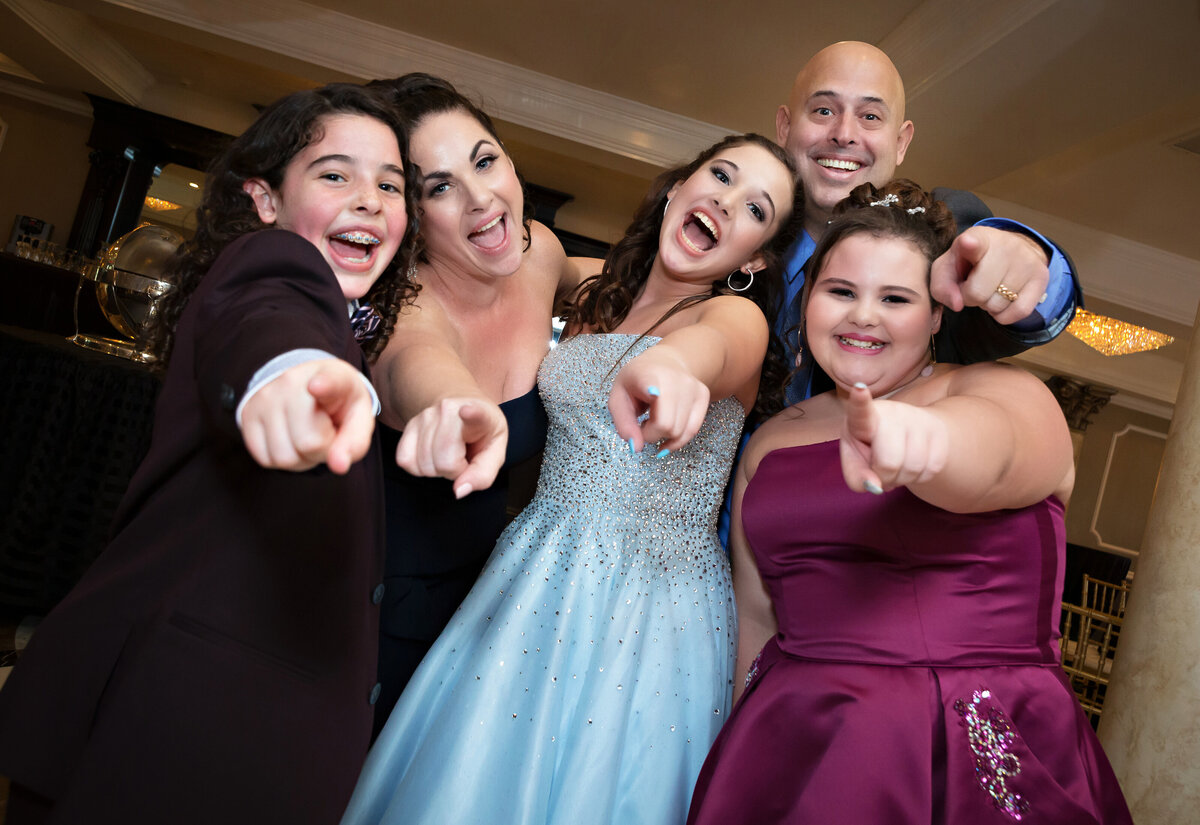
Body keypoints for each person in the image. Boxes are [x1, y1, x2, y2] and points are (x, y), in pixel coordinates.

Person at [340, 133, 805, 825]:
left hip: (651, 599)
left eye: (756, 209)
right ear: (678, 188)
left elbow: (709, 351)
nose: (726, 202)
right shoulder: (596, 297)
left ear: (755, 258)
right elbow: (509, 264)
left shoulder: (733, 316)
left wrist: (672, 369)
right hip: (535, 565)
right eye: (720, 176)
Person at [0, 83, 417, 825]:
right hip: (168, 732)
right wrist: (286, 375)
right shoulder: (272, 259)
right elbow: (267, 318)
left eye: (391, 184)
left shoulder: (344, 323)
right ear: (264, 199)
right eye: (335, 174)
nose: (369, 199)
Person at [687, 180, 1133, 825]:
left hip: (965, 737)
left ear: (936, 315)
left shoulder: (1002, 392)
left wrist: (924, 443)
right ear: (808, 301)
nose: (863, 316)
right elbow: (756, 617)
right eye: (841, 291)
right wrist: (736, 742)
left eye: (895, 298)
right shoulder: (772, 440)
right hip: (792, 736)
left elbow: (998, 456)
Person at [364, 74, 600, 734]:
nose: (481, 199)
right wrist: (455, 407)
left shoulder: (538, 252)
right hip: (378, 613)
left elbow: (605, 283)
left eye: (485, 161)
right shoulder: (405, 308)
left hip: (486, 604)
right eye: (440, 187)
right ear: (411, 216)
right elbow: (418, 366)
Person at [774, 41, 1082, 402]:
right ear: (785, 126)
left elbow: (1034, 302)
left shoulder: (938, 235)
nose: (844, 134)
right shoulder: (734, 232)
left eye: (870, 117)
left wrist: (1028, 261)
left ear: (901, 142)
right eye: (824, 110)